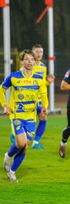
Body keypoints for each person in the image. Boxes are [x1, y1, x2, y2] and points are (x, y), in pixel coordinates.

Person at [0, 49, 48, 182]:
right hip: (17, 116)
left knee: (24, 146)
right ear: (22, 61)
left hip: (31, 117)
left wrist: (45, 107)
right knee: (21, 143)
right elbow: (1, 89)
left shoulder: (38, 79)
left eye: (32, 60)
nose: (30, 62)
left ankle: (12, 171)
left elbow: (44, 95)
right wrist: (5, 105)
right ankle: (9, 158)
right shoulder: (14, 76)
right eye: (27, 59)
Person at [31, 44, 55, 149]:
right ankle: (14, 134)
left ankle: (35, 143)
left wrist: (48, 82)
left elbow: (41, 84)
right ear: (32, 53)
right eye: (37, 51)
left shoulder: (43, 67)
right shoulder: (27, 66)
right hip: (28, 98)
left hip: (39, 99)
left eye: (41, 52)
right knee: (27, 120)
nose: (39, 54)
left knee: (43, 118)